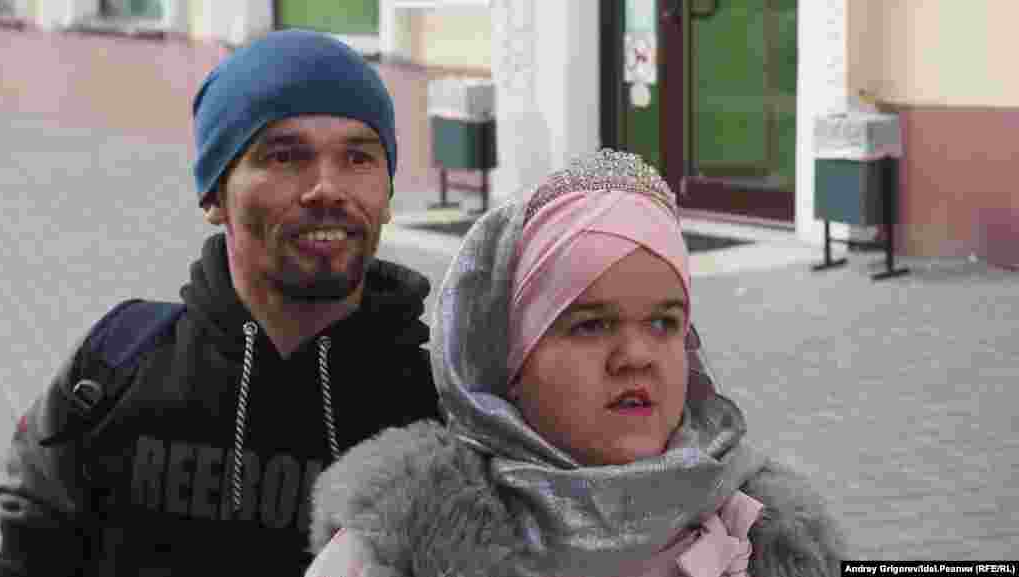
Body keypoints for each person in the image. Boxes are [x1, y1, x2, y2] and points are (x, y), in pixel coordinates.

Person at [0, 30, 442, 576]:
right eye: (285, 156)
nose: (327, 187)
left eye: (358, 157)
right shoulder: (115, 370)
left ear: (388, 193)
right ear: (214, 194)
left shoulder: (442, 409)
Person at [305, 149, 848, 577]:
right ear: (507, 360)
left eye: (664, 323)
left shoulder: (765, 533)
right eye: (590, 325)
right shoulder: (396, 547)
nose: (637, 357)